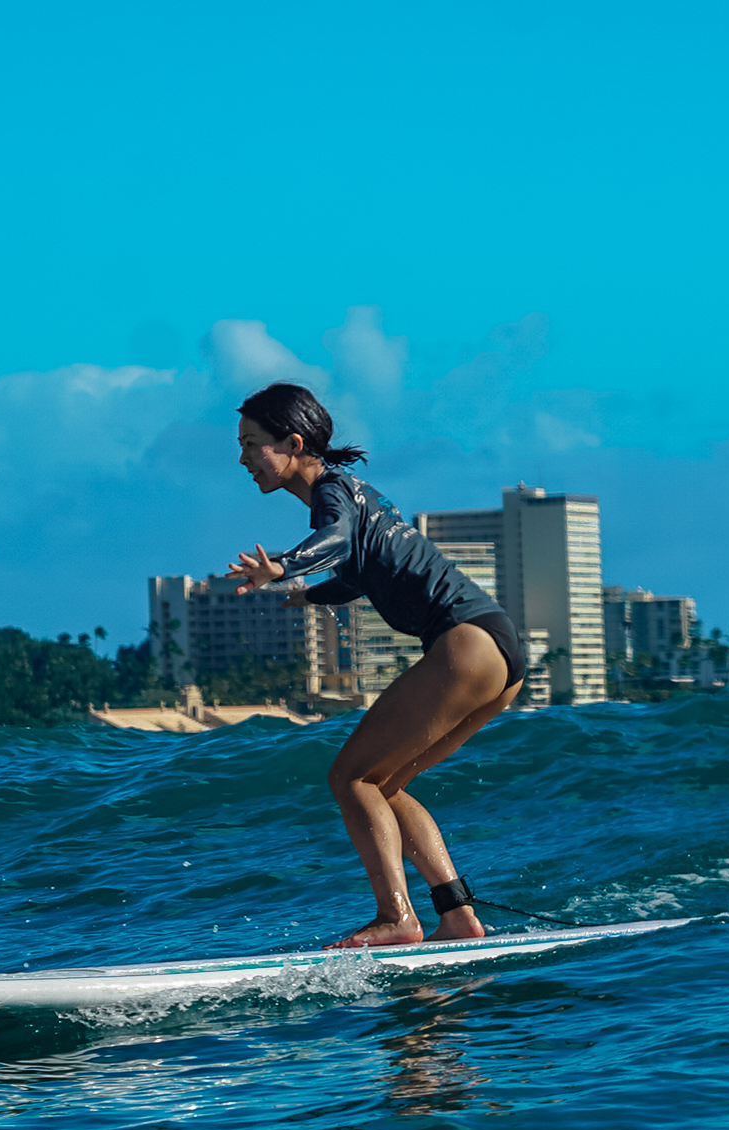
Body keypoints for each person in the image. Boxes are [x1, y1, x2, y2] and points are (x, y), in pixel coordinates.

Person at [224, 382, 527, 946]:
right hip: (496, 652)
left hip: (465, 641)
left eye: (251, 444)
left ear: (292, 442)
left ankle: (397, 917)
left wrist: (284, 569)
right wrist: (309, 596)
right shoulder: (356, 493)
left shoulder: (333, 492)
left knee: (349, 777)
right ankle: (456, 914)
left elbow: (334, 541)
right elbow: (357, 572)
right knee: (382, 786)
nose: (242, 458)